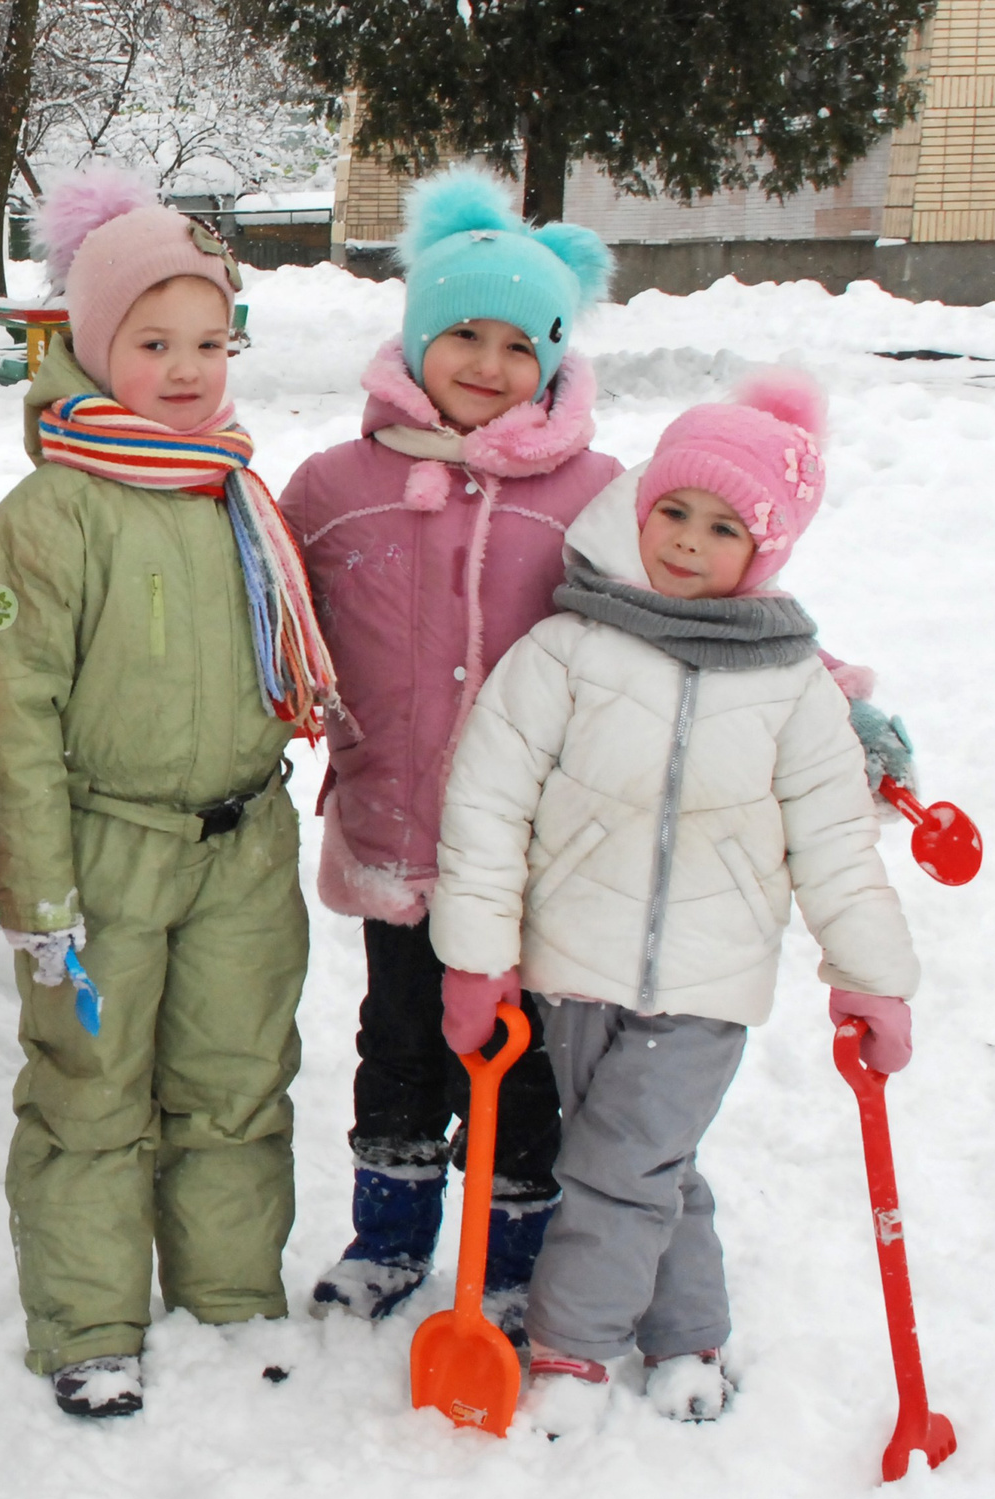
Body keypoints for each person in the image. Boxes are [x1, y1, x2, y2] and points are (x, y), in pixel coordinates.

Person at [429, 373, 918, 1428]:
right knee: (654, 1161)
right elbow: (486, 802)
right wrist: (476, 956)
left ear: (767, 550)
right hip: (573, 969)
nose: (689, 541)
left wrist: (871, 981)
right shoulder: (567, 650)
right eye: (673, 512)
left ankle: (572, 1345)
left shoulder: (790, 686)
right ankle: (688, 1327)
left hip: (707, 982)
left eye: (724, 527)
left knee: (615, 1162)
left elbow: (835, 843)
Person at [0, 168, 332, 1420]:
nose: (185, 369)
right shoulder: (48, 517)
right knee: (90, 1090)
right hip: (105, 850)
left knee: (236, 1076)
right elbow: (16, 723)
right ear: (94, 345)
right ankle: (89, 1319)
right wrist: (41, 891)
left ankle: (230, 1299)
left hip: (243, 836)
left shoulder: (237, 489)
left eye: (207, 342)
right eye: (152, 342)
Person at [277, 168, 620, 1344]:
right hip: (395, 829)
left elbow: (695, 607)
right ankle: (387, 1237)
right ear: (414, 339)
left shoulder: (597, 497)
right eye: (460, 334)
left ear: (555, 357)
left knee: (521, 1061)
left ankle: (513, 1254)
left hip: (532, 852)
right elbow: (260, 604)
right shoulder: (333, 488)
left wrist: (838, 706)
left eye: (516, 343)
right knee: (401, 1039)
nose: (485, 362)